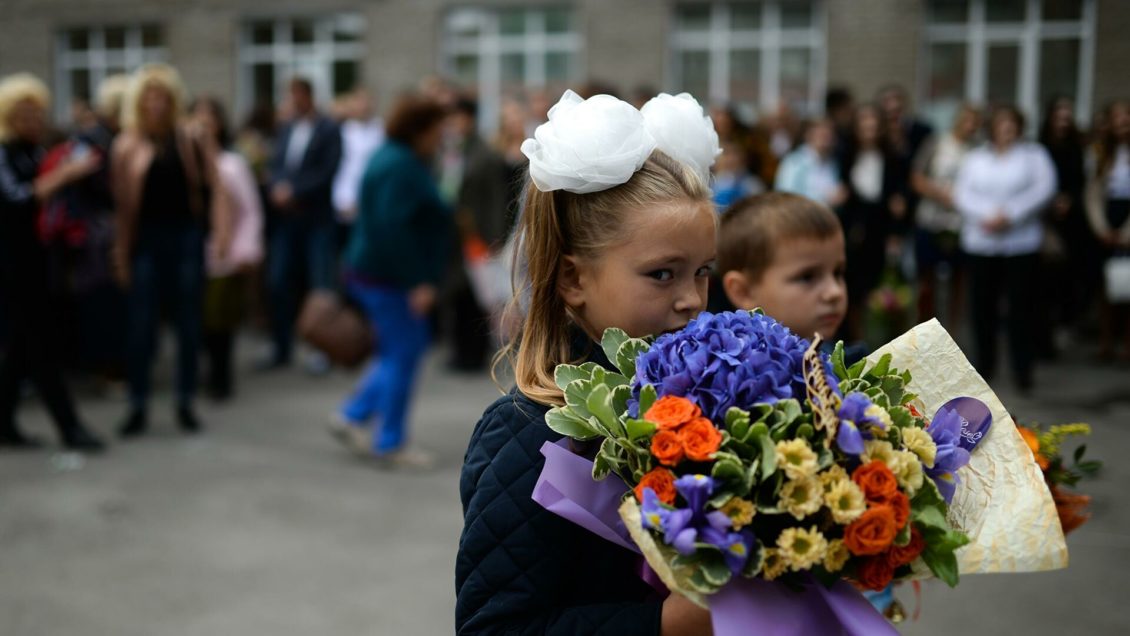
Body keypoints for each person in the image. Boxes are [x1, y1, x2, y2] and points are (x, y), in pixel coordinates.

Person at [457, 90, 718, 634]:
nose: (693, 298)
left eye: (703, 271)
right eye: (663, 274)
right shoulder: (530, 433)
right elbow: (495, 626)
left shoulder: (710, 397)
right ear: (574, 280)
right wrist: (664, 623)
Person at [330, 94, 453, 465]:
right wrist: (417, 280)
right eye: (437, 131)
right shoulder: (400, 166)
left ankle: (352, 415)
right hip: (388, 279)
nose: (441, 138)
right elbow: (392, 229)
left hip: (377, 273)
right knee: (403, 352)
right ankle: (390, 442)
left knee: (397, 351)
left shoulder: (393, 157)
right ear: (419, 130)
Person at [111, 63, 231, 436]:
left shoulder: (192, 137)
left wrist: (222, 233)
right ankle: (138, 403)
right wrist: (121, 254)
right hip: (146, 239)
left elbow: (216, 187)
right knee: (141, 325)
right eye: (149, 95)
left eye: (162, 96)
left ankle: (184, 401)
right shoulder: (127, 144)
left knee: (188, 324)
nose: (156, 103)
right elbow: (120, 207)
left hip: (185, 236)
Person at [0, 72, 104, 450]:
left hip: (38, 260)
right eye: (25, 114)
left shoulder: (35, 152)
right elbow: (17, 201)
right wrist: (64, 174)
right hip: (13, 264)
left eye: (38, 113)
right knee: (41, 347)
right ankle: (69, 427)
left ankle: (5, 421)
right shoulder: (5, 153)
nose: (34, 121)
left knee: (20, 348)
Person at [954, 105, 1056, 391]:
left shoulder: (1034, 155)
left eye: (1012, 123)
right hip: (981, 243)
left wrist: (1010, 214)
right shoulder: (976, 158)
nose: (1007, 128)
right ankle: (984, 367)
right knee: (981, 308)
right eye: (1002, 123)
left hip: (1020, 244)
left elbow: (1044, 188)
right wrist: (988, 216)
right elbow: (963, 193)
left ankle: (1023, 370)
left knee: (1020, 309)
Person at [263, 77, 342, 370]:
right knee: (278, 281)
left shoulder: (328, 128)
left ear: (307, 96)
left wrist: (295, 191)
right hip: (287, 221)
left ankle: (321, 350)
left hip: (316, 218)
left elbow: (328, 170)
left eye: (296, 95)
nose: (292, 101)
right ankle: (281, 346)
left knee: (319, 285)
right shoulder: (286, 128)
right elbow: (276, 165)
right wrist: (276, 188)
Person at [190, 96, 264, 400]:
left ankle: (221, 379)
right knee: (199, 320)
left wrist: (245, 250)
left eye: (209, 121)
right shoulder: (184, 163)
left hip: (225, 255)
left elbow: (250, 210)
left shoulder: (232, 165)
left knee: (220, 320)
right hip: (194, 252)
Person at [438, 96, 509, 371]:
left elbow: (495, 198)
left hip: (477, 234)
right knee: (455, 294)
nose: (453, 123)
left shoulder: (485, 154)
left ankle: (474, 355)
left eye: (458, 117)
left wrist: (494, 236)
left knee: (476, 296)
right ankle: (458, 351)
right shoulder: (450, 151)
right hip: (453, 236)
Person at [718, 192, 847, 343]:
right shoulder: (728, 366)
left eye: (837, 273)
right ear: (743, 292)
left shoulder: (856, 360)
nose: (834, 292)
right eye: (807, 277)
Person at [836, 104, 908, 341]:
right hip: (853, 229)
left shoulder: (892, 157)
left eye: (874, 125)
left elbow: (898, 197)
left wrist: (896, 230)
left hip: (881, 228)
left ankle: (880, 340)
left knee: (882, 290)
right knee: (853, 288)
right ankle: (853, 340)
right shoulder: (846, 156)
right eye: (864, 125)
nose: (869, 130)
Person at [911, 103, 980, 330]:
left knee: (959, 280)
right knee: (927, 280)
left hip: (962, 222)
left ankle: (953, 330)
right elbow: (917, 177)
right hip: (932, 218)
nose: (971, 127)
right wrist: (940, 195)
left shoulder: (978, 149)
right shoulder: (937, 142)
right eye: (967, 121)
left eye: (975, 122)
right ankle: (925, 329)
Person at [1039, 97, 1094, 354]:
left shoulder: (1077, 147)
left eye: (1067, 116)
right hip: (1045, 220)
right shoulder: (1041, 147)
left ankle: (1063, 325)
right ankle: (1044, 334)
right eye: (1059, 115)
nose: (1063, 121)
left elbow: (1082, 181)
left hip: (1072, 222)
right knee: (1045, 281)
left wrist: (1069, 199)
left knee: (1068, 278)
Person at [1086, 100, 1130, 361]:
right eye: (1118, 118)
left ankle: (1126, 342)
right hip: (1108, 217)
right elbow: (1093, 192)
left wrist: (1127, 233)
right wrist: (1101, 227)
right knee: (1106, 284)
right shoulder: (1102, 154)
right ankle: (1106, 341)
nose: (1123, 123)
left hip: (1127, 220)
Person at [331, 88, 385, 243]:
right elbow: (344, 170)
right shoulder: (342, 132)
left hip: (375, 202)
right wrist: (344, 199)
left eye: (366, 102)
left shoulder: (381, 130)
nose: (363, 106)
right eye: (358, 102)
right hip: (347, 203)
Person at [775, 118, 847, 209]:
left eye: (829, 134)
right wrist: (825, 199)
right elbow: (785, 197)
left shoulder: (834, 164)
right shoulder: (793, 162)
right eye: (821, 134)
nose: (826, 139)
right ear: (809, 135)